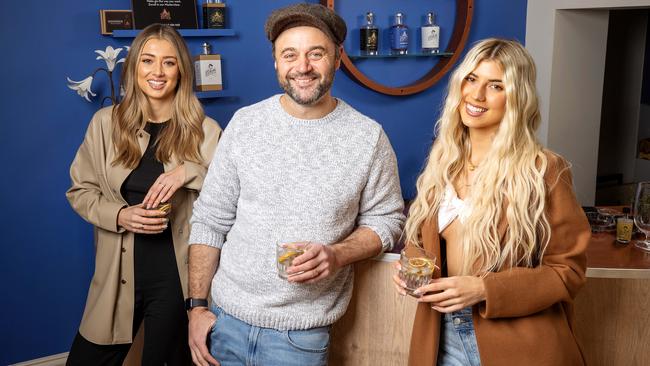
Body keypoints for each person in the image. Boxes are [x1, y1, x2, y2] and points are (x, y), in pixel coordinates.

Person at [186, 3, 405, 366]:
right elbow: (210, 221)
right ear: (276, 62)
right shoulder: (245, 125)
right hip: (224, 323)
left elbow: (387, 220)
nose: (302, 67)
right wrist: (196, 308)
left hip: (300, 337)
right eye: (290, 55)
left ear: (336, 59)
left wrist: (337, 254)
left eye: (315, 54)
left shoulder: (368, 138)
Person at [393, 38, 590, 366]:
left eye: (495, 85)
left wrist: (485, 289)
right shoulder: (443, 163)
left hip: (520, 347)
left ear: (516, 98)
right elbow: (422, 244)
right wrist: (410, 267)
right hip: (441, 338)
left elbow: (568, 271)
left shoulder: (543, 170)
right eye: (472, 79)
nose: (477, 94)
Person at [66, 24, 222, 365]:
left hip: (176, 279)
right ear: (134, 67)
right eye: (148, 61)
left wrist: (188, 172)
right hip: (115, 274)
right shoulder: (105, 124)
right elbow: (80, 190)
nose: (158, 72)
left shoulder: (206, 132)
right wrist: (120, 216)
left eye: (168, 62)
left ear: (181, 69)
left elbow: (231, 192)